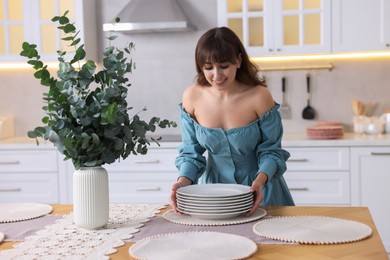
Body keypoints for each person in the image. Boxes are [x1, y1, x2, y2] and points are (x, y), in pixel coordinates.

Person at [170, 27, 294, 215]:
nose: (217, 75)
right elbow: (191, 153)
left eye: (224, 65)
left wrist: (260, 181)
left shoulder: (259, 96)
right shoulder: (192, 96)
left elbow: (271, 152)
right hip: (214, 196)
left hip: (261, 191)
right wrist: (182, 183)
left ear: (238, 60)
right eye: (208, 67)